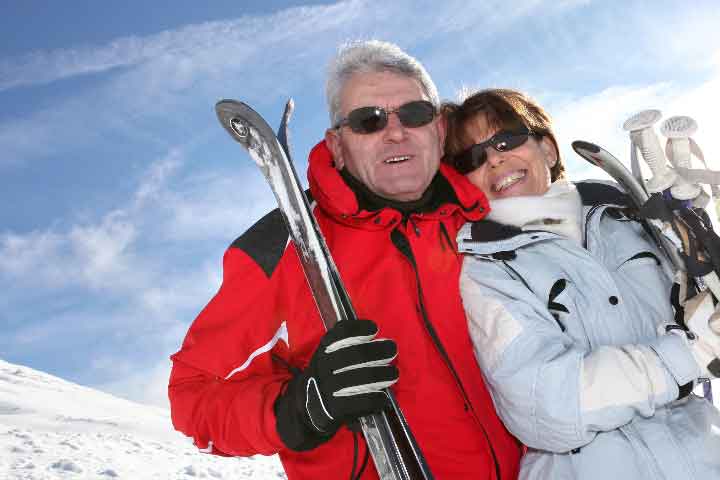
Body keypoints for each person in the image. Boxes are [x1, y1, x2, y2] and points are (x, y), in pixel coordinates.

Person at [168, 41, 521, 479]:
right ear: (336, 144)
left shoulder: (492, 218)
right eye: (368, 121)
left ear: (440, 128)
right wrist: (302, 408)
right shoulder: (288, 243)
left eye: (414, 114)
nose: (396, 133)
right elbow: (191, 394)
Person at [441, 88, 720, 479]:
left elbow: (719, 297)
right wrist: (690, 354)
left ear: (547, 149)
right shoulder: (486, 268)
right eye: (473, 158)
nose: (494, 158)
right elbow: (548, 406)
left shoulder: (629, 219)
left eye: (506, 139)